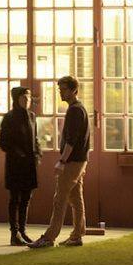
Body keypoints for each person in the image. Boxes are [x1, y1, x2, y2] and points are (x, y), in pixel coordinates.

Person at [30, 73, 90, 249]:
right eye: (59, 89)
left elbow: (72, 139)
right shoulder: (79, 108)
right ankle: (77, 235)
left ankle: (49, 237)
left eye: (64, 89)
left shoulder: (75, 110)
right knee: (76, 198)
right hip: (79, 160)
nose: (61, 92)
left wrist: (62, 161)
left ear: (74, 90)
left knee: (60, 198)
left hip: (72, 161)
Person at [0, 84, 39, 247]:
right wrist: (18, 153)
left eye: (29, 96)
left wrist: (37, 154)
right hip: (15, 164)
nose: (27, 99)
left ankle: (23, 230)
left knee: (26, 198)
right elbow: (3, 142)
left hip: (29, 163)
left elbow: (35, 138)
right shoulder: (9, 118)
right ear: (16, 99)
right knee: (15, 198)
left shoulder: (32, 116)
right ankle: (14, 233)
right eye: (24, 97)